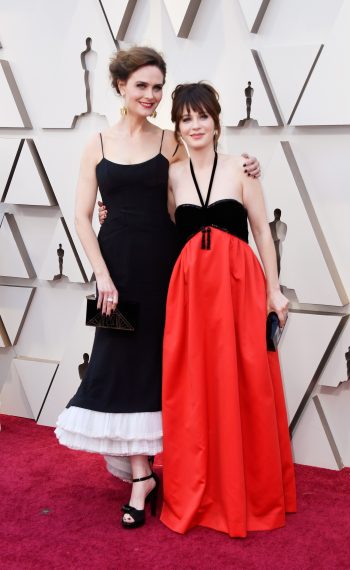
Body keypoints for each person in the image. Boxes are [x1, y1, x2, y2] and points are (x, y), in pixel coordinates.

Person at [55, 46, 260, 531]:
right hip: (115, 272)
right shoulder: (97, 144)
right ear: (121, 87)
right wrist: (102, 275)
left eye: (156, 87)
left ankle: (146, 478)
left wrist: (250, 167)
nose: (150, 95)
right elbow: (82, 217)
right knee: (116, 364)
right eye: (141, 86)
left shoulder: (171, 142)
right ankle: (141, 475)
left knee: (156, 369)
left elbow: (206, 178)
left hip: (166, 270)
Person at [160, 82, 296, 538]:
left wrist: (273, 293)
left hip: (239, 287)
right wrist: (109, 216)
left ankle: (248, 491)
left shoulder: (242, 167)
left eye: (202, 116)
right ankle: (203, 488)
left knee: (246, 383)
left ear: (217, 120)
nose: (195, 125)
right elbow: (160, 230)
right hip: (190, 294)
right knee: (194, 388)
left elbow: (261, 231)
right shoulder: (172, 174)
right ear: (177, 126)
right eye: (185, 118)